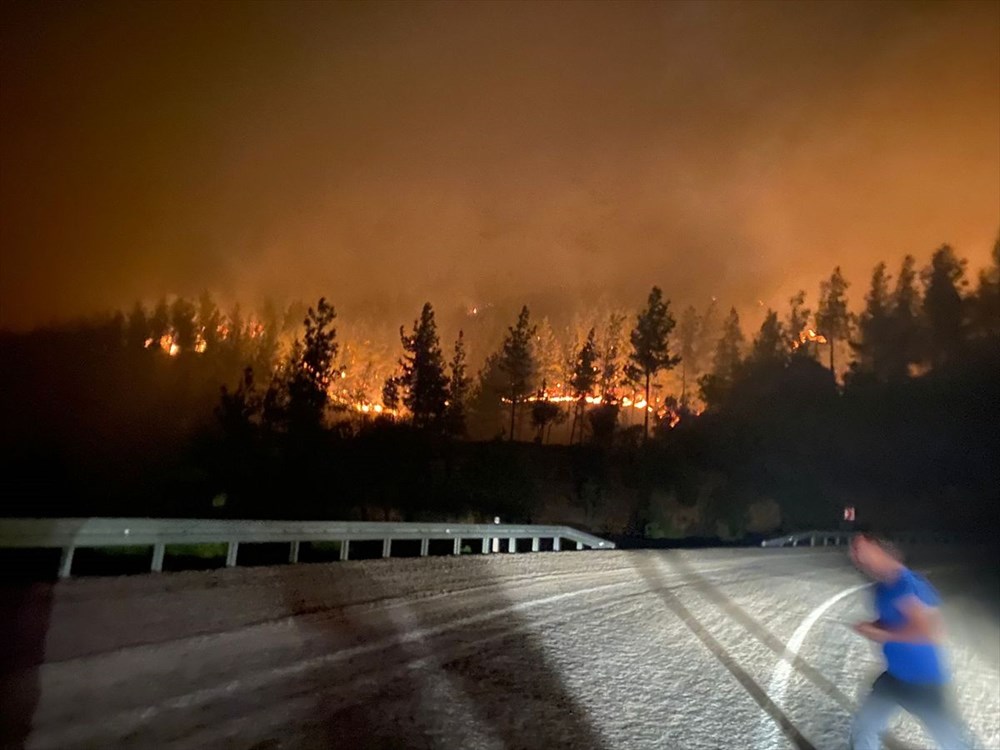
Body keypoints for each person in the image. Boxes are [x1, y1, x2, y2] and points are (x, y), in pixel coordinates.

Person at [848, 533, 969, 750]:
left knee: (953, 743)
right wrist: (872, 627)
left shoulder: (908, 584)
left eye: (860, 549)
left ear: (878, 547)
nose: (855, 556)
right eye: (854, 551)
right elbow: (891, 621)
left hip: (924, 683)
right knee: (864, 727)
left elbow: (932, 632)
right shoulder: (882, 588)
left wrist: (883, 634)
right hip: (894, 677)